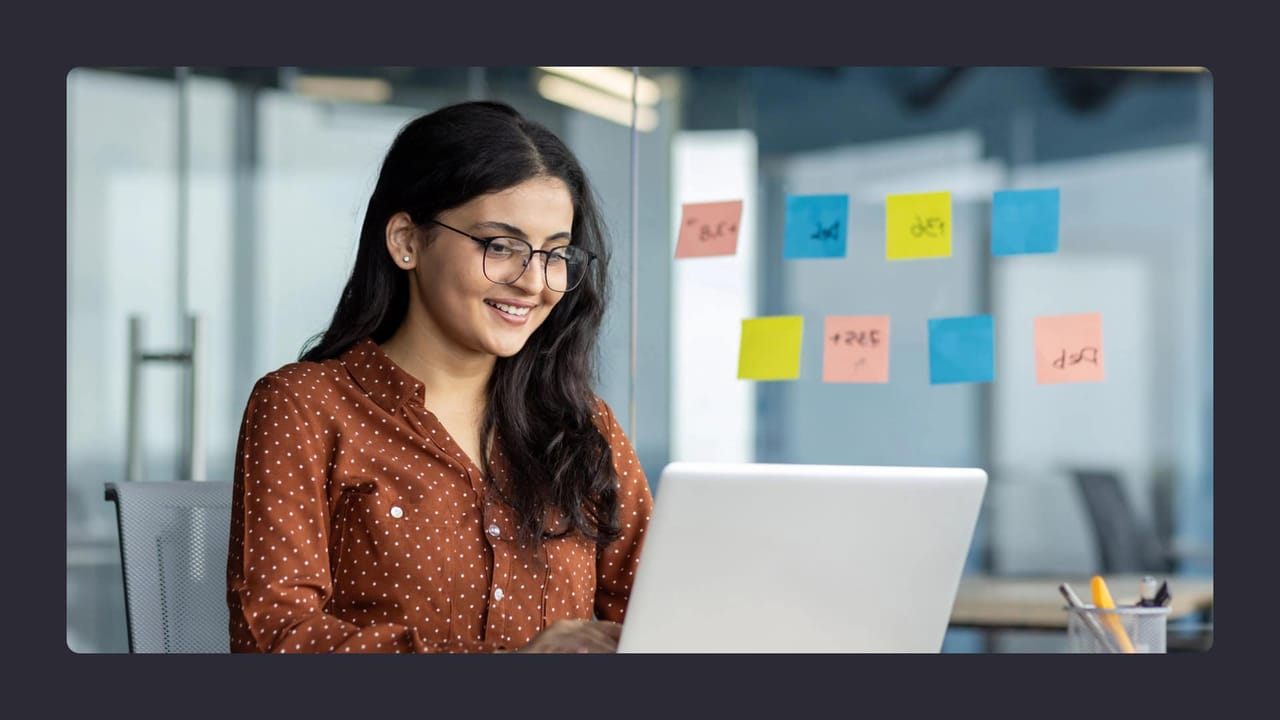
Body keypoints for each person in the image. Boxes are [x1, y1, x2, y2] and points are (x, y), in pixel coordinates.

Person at [225, 100, 652, 653]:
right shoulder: (303, 407)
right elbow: (274, 639)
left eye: (554, 254)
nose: (533, 283)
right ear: (406, 241)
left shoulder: (582, 424)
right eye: (501, 246)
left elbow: (656, 611)